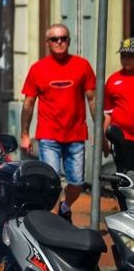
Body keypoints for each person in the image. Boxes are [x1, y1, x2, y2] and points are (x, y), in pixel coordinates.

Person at [20, 24, 97, 220]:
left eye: (63, 38)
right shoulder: (38, 69)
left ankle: (65, 207)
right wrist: (25, 134)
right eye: (54, 39)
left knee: (77, 182)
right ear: (48, 43)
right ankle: (53, 221)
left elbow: (93, 100)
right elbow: (28, 103)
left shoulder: (82, 66)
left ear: (69, 41)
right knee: (50, 182)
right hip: (49, 136)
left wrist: (99, 131)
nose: (59, 42)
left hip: (76, 135)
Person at [103, 38, 134, 173]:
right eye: (123, 56)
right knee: (124, 175)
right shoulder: (113, 80)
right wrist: (102, 137)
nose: (126, 59)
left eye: (130, 56)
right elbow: (107, 113)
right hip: (122, 138)